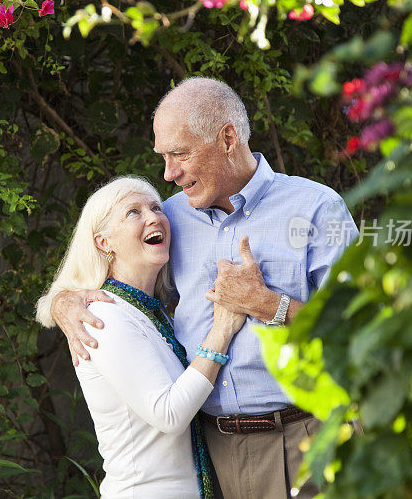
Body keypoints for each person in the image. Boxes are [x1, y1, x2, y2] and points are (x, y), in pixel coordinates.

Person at [38, 77, 357, 499]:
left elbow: (361, 328)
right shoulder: (168, 220)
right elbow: (114, 277)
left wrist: (268, 304)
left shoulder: (317, 207)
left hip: (301, 437)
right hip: (209, 456)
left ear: (227, 138)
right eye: (164, 157)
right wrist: (63, 302)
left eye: (179, 154)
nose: (169, 173)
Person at [36, 176, 247, 498]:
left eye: (156, 207)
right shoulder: (102, 316)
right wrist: (222, 330)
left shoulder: (151, 313)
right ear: (104, 242)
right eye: (133, 212)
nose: (153, 217)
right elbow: (169, 413)